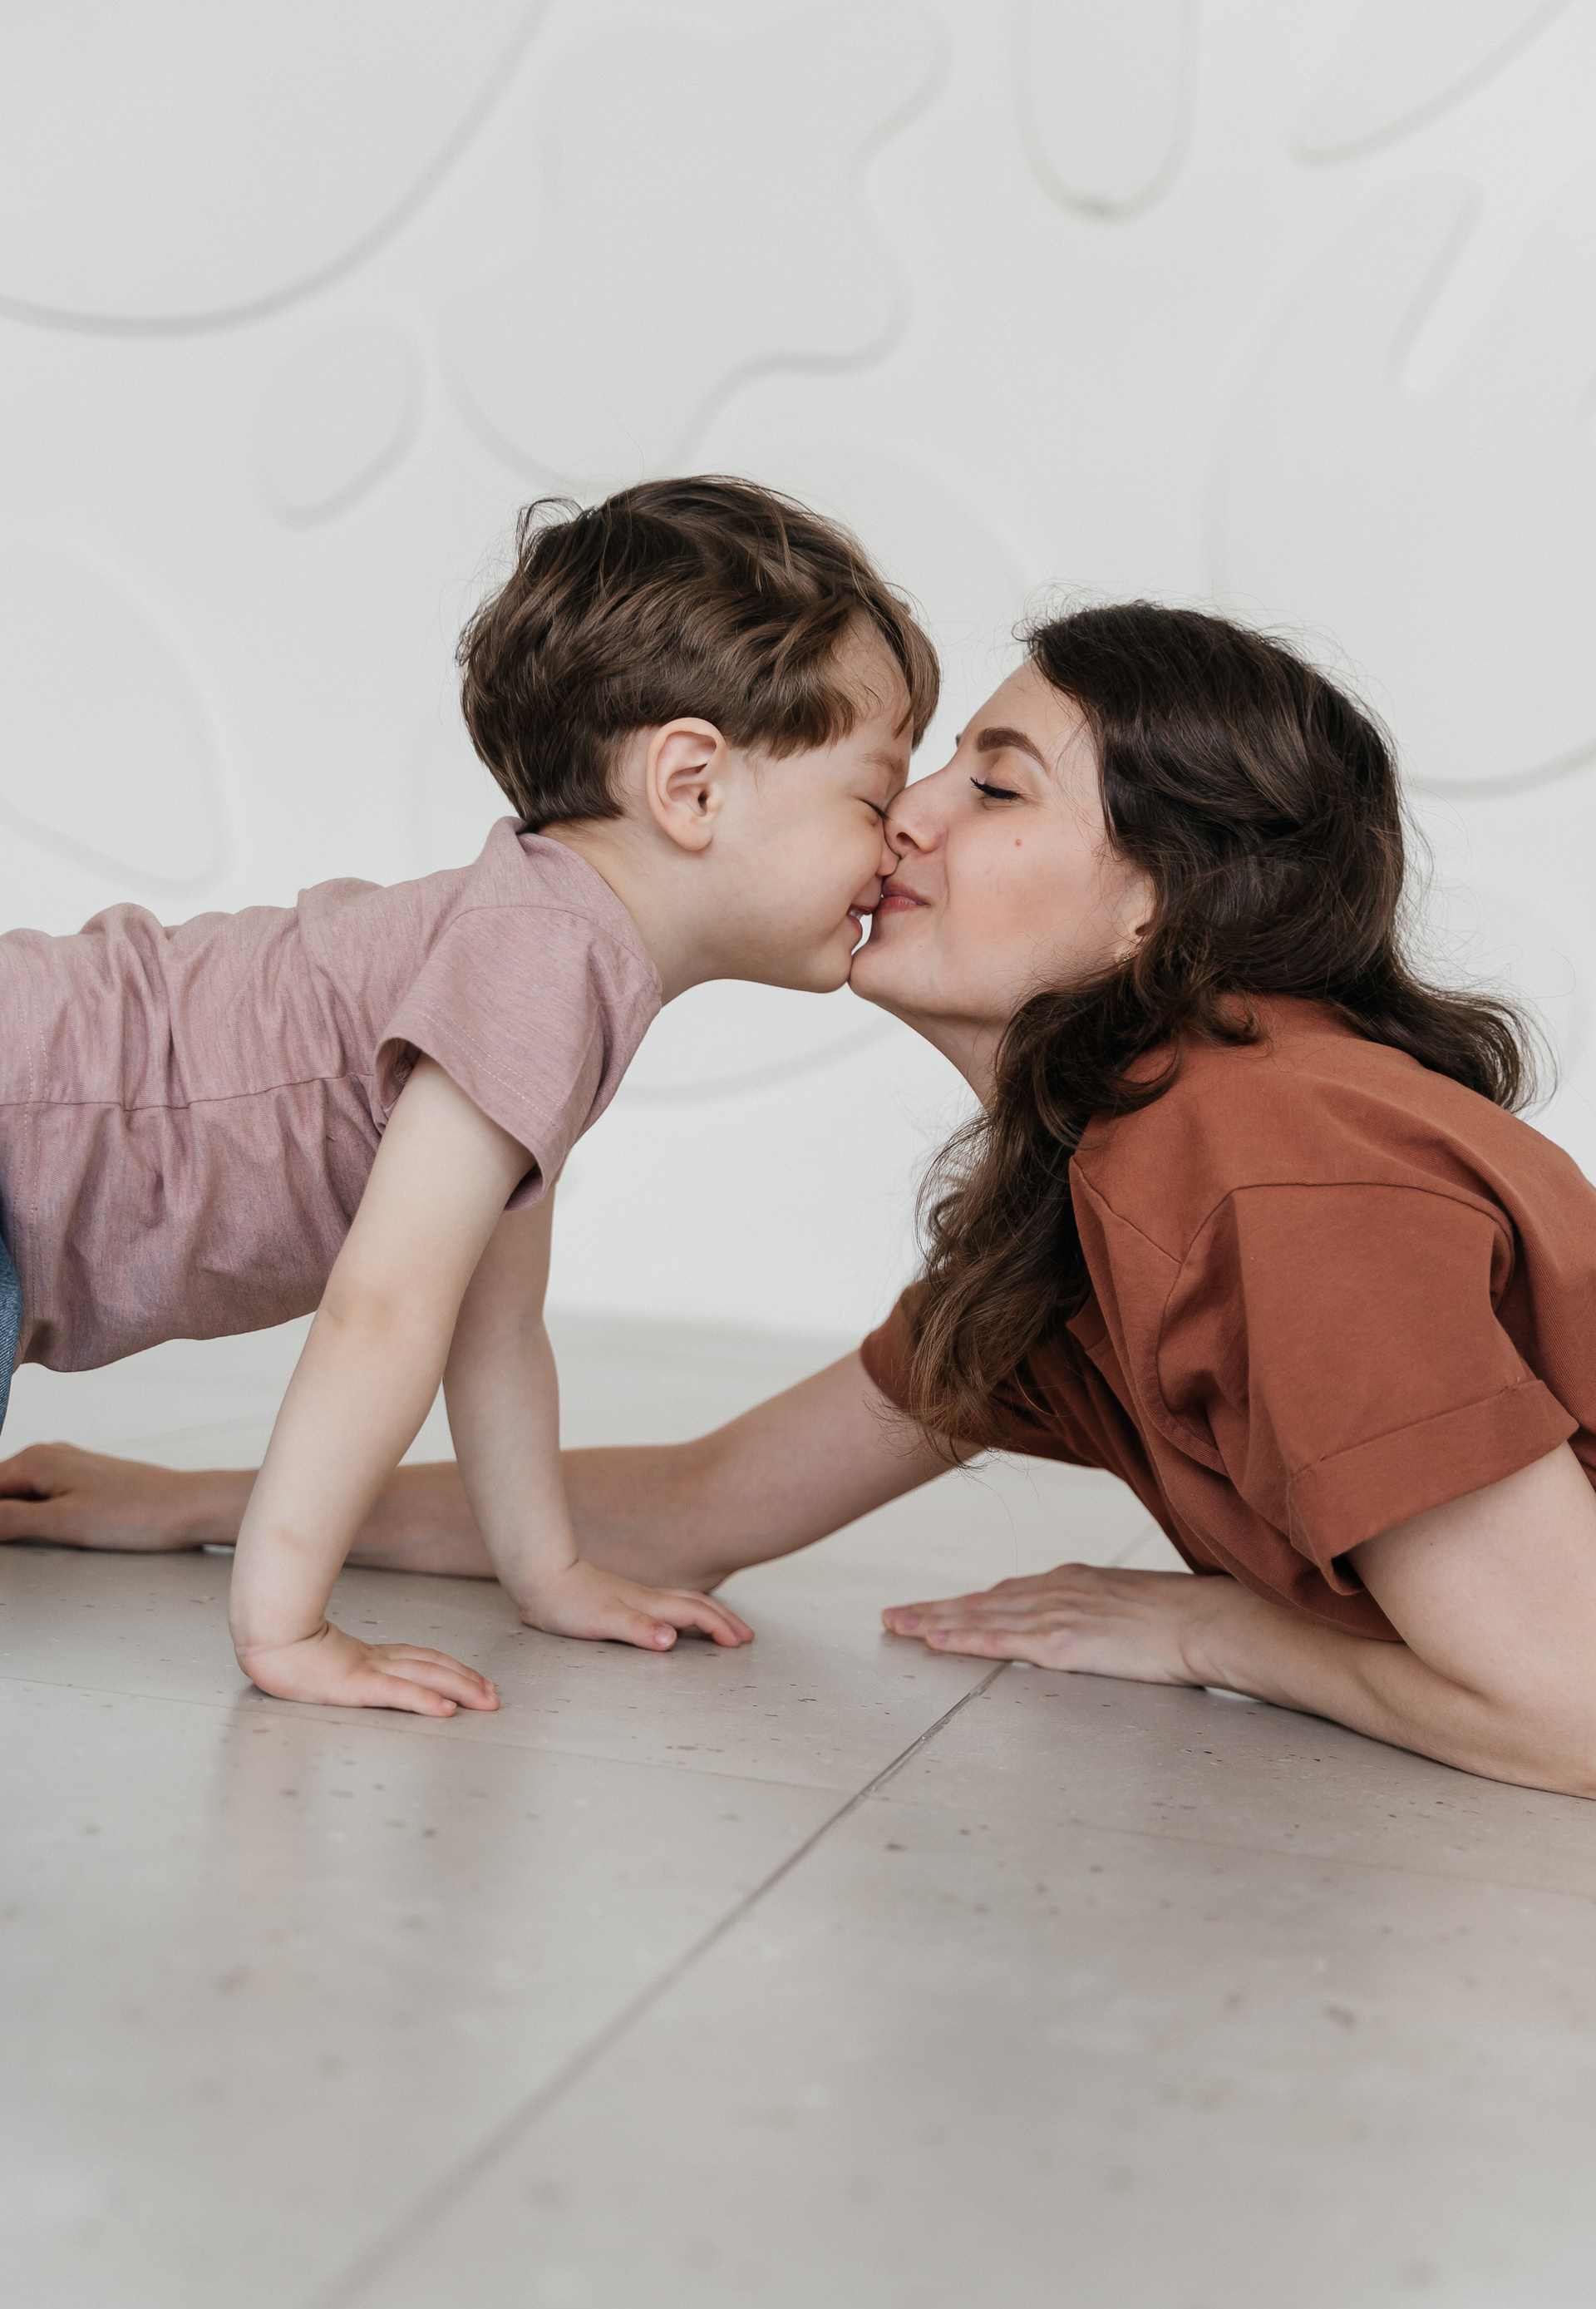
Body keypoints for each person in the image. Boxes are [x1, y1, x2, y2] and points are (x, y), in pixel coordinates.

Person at [8, 602, 1596, 1798]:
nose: (907, 814)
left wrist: (1210, 1634)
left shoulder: (1274, 1168)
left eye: (995, 786)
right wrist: (194, 1506)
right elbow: (696, 1509)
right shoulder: (1111, 1188)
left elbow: (1574, 1708)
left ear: (1161, 903)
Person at [0, 477, 937, 1717]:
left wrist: (549, 1574)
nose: (902, 838)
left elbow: (495, 1327)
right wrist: (287, 1628)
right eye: (874, 796)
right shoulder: (543, 959)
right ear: (692, 785)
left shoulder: (552, 945)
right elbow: (383, 1310)